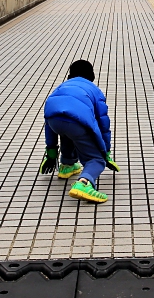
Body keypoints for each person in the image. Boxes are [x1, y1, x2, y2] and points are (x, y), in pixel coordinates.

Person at [37, 59, 119, 203]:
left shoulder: (60, 87)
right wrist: (104, 151)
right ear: (91, 75)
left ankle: (67, 165)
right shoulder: (94, 89)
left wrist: (51, 152)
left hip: (54, 121)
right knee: (95, 159)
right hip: (77, 123)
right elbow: (102, 123)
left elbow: (48, 121)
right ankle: (84, 183)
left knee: (66, 130)